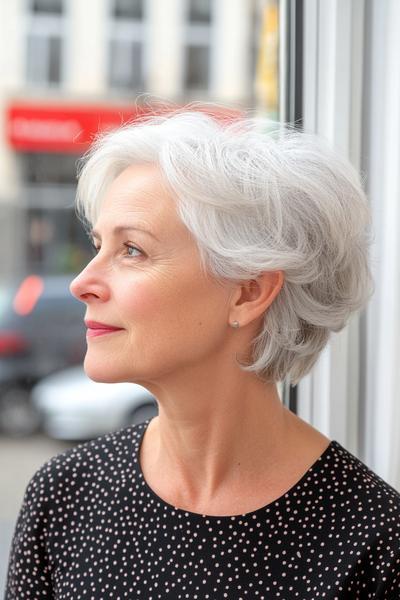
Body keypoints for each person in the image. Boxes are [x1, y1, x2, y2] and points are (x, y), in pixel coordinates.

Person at [5, 110, 400, 599]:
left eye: (132, 250)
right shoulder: (65, 496)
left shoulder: (375, 543)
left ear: (248, 293)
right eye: (97, 245)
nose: (82, 282)